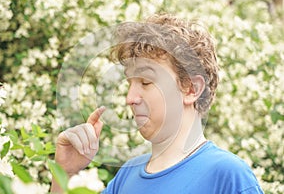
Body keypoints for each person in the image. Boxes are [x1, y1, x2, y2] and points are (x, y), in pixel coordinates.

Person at [51, 14, 263, 193]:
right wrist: (65, 173)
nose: (130, 98)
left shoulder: (229, 176)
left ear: (191, 89)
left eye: (146, 81)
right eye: (129, 82)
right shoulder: (126, 176)